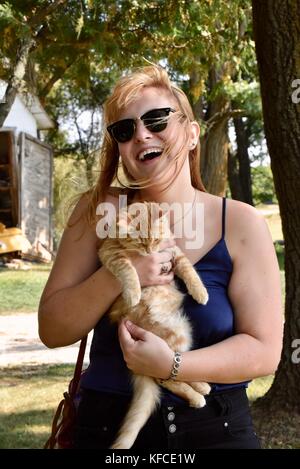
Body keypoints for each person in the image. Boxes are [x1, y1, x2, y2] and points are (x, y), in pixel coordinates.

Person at [38, 64, 283, 450]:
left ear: (190, 134)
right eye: (125, 130)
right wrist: (122, 271)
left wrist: (172, 366)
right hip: (108, 433)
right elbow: (52, 329)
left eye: (156, 120)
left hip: (217, 433)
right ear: (118, 147)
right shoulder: (97, 212)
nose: (141, 134)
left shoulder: (241, 222)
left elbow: (264, 350)